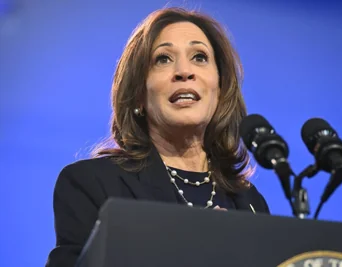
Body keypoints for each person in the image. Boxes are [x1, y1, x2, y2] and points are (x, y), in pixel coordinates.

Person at [45, 7, 270, 267]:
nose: (184, 71)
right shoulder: (93, 185)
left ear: (219, 89)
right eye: (163, 59)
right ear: (139, 94)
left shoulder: (249, 202)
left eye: (199, 57)